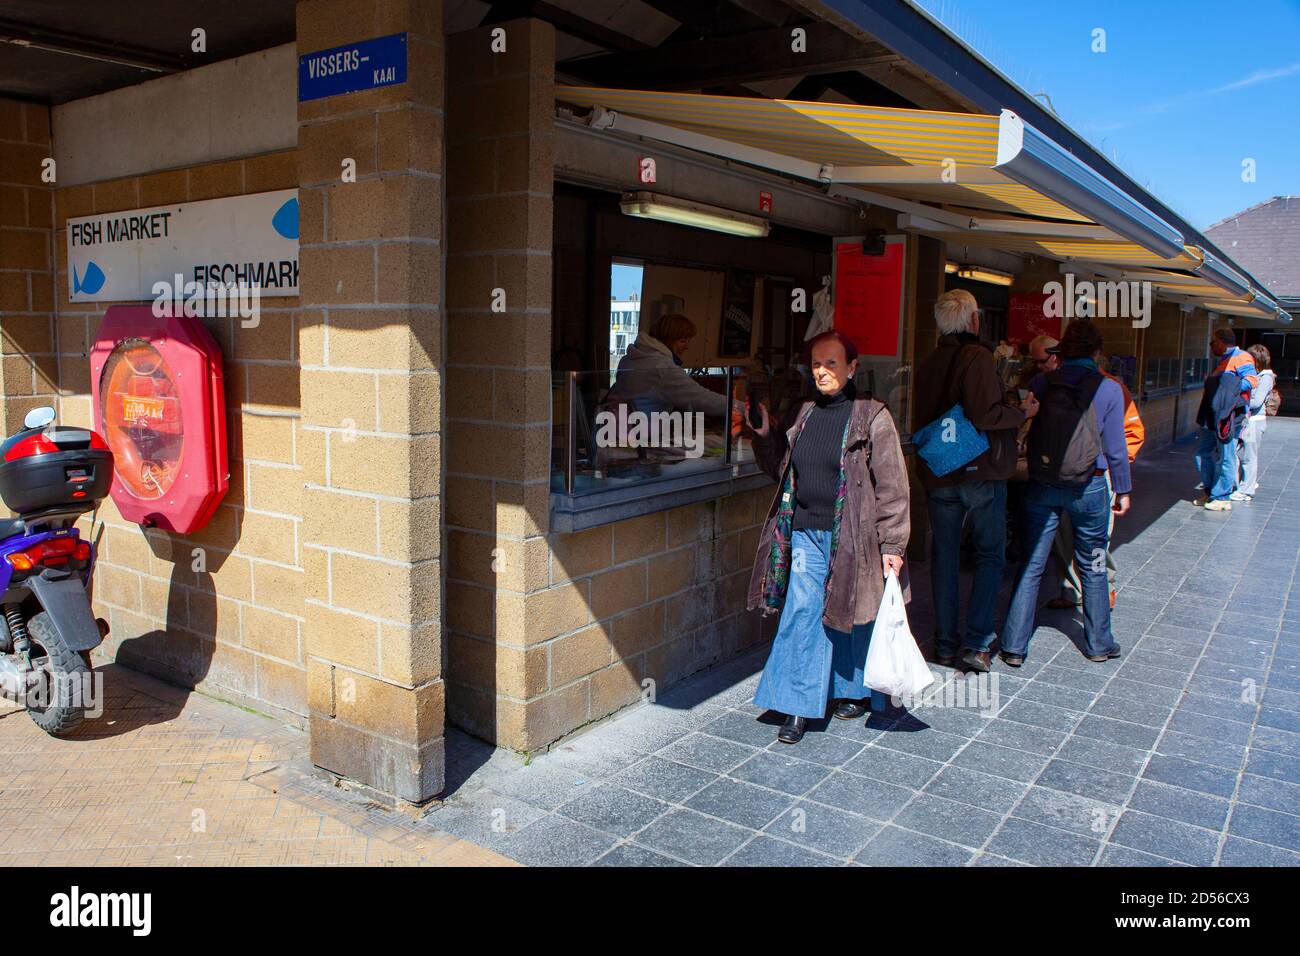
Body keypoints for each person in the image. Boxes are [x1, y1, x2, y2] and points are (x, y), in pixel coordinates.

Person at [746, 331, 911, 744]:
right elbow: (781, 469)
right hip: (805, 533)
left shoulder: (872, 415)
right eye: (816, 364)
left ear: (852, 367)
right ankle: (798, 706)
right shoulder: (803, 413)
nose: (822, 371)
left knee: (851, 609)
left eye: (831, 363)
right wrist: (765, 434)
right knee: (804, 612)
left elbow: (892, 485)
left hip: (854, 534)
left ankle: (851, 690)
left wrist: (892, 545)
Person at [914, 289, 1038, 673]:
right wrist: (1021, 412)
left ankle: (945, 645)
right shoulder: (978, 357)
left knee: (945, 557)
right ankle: (977, 643)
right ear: (973, 320)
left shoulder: (929, 360)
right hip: (978, 472)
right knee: (988, 555)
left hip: (938, 470)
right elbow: (985, 415)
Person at [999, 320, 1132, 666]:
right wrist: (1123, 489)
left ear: (1062, 352)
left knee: (1031, 565)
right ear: (1096, 352)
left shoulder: (1042, 383)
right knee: (1095, 563)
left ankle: (1013, 646)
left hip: (1043, 484)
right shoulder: (1109, 389)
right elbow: (1116, 447)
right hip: (1090, 486)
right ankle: (1100, 643)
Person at [1047, 345, 1144, 610]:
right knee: (1064, 537)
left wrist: (1116, 473)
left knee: (1097, 541)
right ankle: (1071, 591)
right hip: (1065, 475)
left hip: (1100, 476)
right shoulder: (1058, 385)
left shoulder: (1111, 387)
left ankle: (1105, 588)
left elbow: (1133, 433)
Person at [605, 313, 739, 419]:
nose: (687, 346)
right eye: (682, 341)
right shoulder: (662, 367)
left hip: (617, 434)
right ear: (667, 338)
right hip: (640, 438)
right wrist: (746, 409)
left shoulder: (629, 358)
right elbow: (703, 399)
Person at [1194, 328, 1257, 512]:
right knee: (1202, 453)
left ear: (1221, 341)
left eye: (1213, 342)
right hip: (1210, 417)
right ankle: (1210, 490)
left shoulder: (1241, 357)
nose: (1211, 346)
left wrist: (1227, 389)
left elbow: (1251, 380)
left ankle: (1222, 496)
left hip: (1228, 418)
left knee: (1226, 456)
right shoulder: (1222, 361)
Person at [1233, 344, 1275, 502]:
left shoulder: (1266, 377)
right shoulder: (1255, 374)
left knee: (1249, 456)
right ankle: (1242, 485)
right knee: (1238, 454)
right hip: (1246, 420)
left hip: (1254, 422)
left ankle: (1247, 490)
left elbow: (1256, 402)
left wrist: (1237, 398)